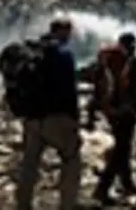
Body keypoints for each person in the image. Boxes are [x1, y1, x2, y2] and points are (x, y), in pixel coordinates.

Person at [13, 16, 85, 210]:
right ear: (64, 32)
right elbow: (68, 90)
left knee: (30, 162)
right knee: (71, 160)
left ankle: (23, 203)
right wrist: (75, 119)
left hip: (31, 118)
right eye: (69, 32)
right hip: (58, 117)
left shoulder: (32, 52)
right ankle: (67, 205)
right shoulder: (63, 55)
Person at [85, 32, 136, 205]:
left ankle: (127, 183)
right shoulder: (135, 65)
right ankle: (102, 189)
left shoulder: (104, 63)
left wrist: (91, 115)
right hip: (127, 112)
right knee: (121, 149)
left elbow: (96, 90)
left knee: (123, 146)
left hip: (110, 112)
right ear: (133, 46)